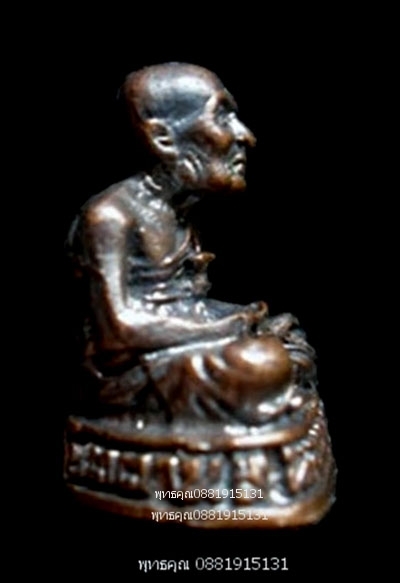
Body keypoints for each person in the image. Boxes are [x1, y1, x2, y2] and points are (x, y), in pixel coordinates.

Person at [67, 63, 314, 424]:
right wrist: (224, 329)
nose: (245, 136)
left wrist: (240, 319)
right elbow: (116, 333)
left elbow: (182, 304)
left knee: (289, 343)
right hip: (128, 369)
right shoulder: (109, 217)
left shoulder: (176, 212)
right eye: (222, 117)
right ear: (163, 139)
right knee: (262, 365)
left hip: (178, 344)